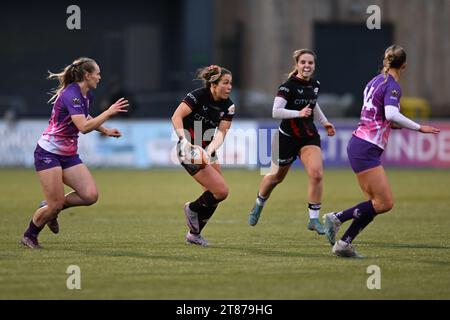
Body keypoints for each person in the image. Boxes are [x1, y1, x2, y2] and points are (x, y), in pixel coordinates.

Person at [323, 45, 440, 258]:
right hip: (366, 147)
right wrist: (419, 127)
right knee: (385, 203)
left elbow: (378, 115)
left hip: (361, 144)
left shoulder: (374, 81)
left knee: (373, 205)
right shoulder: (393, 86)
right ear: (404, 65)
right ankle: (337, 217)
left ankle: (343, 244)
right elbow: (391, 114)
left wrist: (390, 124)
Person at [21, 57, 129, 249]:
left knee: (90, 195)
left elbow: (83, 116)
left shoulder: (85, 94)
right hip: (49, 153)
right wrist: (108, 112)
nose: (99, 77)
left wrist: (105, 130)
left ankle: (50, 207)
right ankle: (30, 234)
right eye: (97, 73)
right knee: (55, 205)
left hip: (68, 154)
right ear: (87, 75)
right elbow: (83, 127)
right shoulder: (72, 94)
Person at [248, 49, 336, 234]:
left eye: (310, 63)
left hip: (308, 136)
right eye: (303, 62)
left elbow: (313, 104)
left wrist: (324, 121)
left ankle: (313, 219)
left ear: (314, 65)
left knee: (317, 174)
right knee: (275, 178)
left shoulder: (315, 84)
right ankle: (258, 203)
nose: (307, 66)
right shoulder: (287, 87)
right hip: (285, 138)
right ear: (296, 64)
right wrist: (298, 113)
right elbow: (275, 111)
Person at [171, 65, 235, 247]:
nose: (229, 87)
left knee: (215, 193)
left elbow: (222, 133)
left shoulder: (229, 106)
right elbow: (176, 116)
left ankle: (194, 234)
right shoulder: (198, 95)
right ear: (214, 84)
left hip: (207, 149)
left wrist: (208, 151)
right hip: (187, 148)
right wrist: (184, 140)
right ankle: (192, 209)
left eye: (231, 83)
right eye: (225, 83)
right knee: (221, 191)